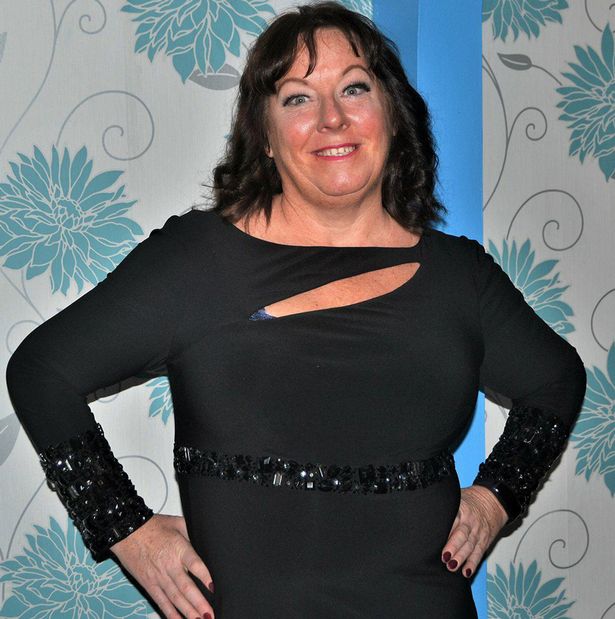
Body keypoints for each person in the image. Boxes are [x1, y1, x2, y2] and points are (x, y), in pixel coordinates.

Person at [5, 2, 586, 618]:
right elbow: (43, 373)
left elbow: (556, 381)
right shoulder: (196, 261)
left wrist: (495, 498)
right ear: (264, 136)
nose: (333, 118)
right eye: (298, 98)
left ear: (392, 113)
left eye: (354, 88)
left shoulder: (462, 277)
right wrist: (126, 529)